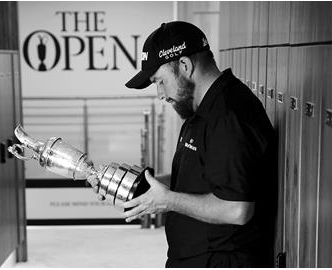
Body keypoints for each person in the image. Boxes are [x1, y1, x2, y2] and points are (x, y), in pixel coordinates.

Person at [88, 21, 277, 268]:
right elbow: (193, 183)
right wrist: (136, 185)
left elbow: (237, 209)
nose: (160, 94)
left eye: (160, 81)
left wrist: (167, 201)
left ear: (185, 65)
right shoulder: (198, 110)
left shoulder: (230, 115)